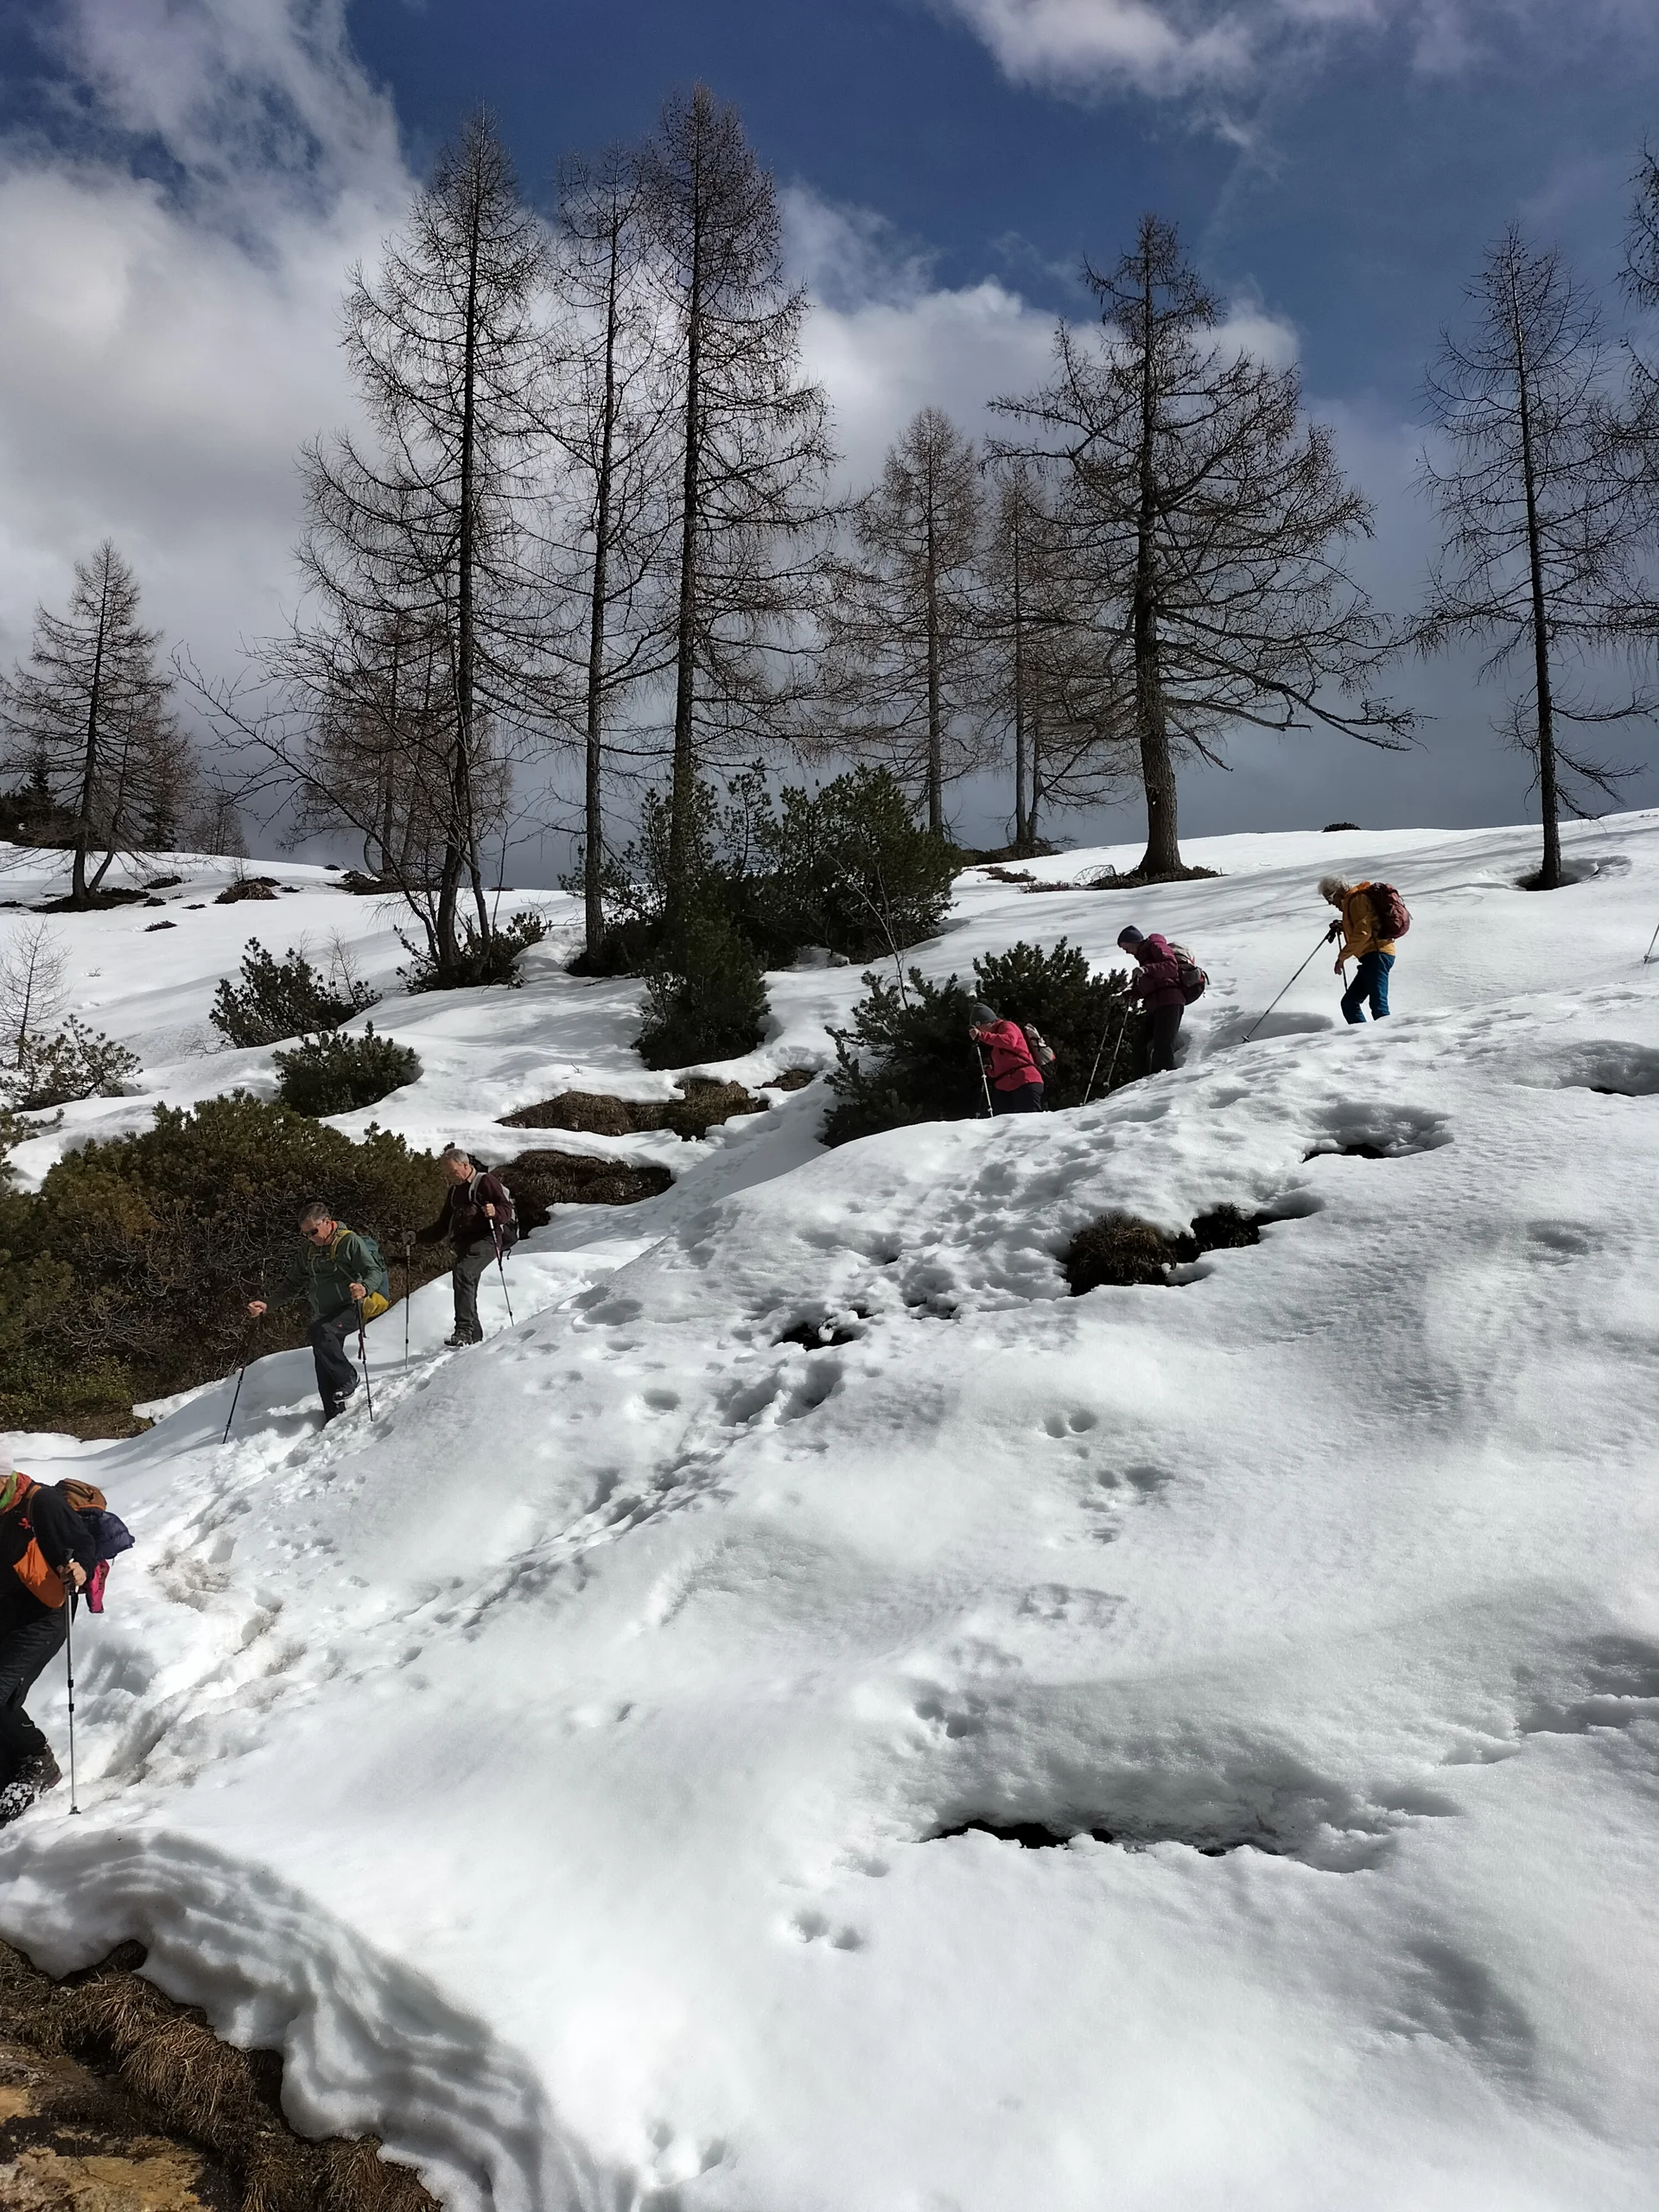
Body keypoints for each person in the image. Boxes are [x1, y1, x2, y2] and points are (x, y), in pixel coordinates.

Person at [0, 1454, 96, 1823]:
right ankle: (11, 1762)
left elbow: (83, 1546)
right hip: (7, 1609)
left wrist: (79, 1568)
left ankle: (38, 1762)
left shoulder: (42, 1502)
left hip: (45, 1615)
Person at [247, 1200, 390, 1421]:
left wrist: (364, 1287)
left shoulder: (349, 1242)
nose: (310, 1237)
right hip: (325, 1312)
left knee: (321, 1332)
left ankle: (349, 1378)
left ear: (327, 1222)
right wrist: (268, 1304)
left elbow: (372, 1270)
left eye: (313, 1231)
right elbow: (292, 1283)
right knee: (323, 1367)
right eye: (305, 1234)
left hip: (352, 1307)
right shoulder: (309, 1250)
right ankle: (333, 1418)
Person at [416, 1146, 513, 1347]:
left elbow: (506, 1209)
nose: (451, 1176)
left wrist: (494, 1211)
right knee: (467, 1284)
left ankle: (464, 1331)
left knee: (463, 1273)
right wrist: (415, 1237)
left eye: (453, 1171)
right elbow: (441, 1226)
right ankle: (474, 1338)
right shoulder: (454, 1192)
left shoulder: (485, 1181)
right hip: (464, 1244)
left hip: (487, 1239)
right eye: (448, 1173)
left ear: (465, 1165)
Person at [1319, 874, 1397, 1023]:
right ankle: (1364, 1038)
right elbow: (1366, 926)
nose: (1331, 904)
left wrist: (1342, 957)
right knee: (1349, 1003)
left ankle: (1387, 1042)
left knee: (1378, 1007)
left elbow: (1363, 934)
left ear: (1337, 892)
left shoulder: (1357, 900)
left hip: (1378, 954)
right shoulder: (1353, 900)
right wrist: (1342, 926)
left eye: (1329, 899)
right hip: (1371, 956)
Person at [1117, 926, 1185, 1073]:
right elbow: (1148, 988)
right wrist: (1125, 997)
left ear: (1133, 941)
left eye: (1126, 947)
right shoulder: (1144, 958)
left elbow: (1171, 966)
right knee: (1141, 1045)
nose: (1127, 952)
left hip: (1170, 1001)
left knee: (1163, 1045)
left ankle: (1166, 1083)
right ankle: (1143, 1083)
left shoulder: (1155, 945)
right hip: (1156, 1005)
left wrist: (1146, 970)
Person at [967, 1002, 1045, 1114]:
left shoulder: (1007, 1026)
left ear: (984, 1023)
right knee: (1005, 1125)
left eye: (978, 1028)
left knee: (1029, 1122)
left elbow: (1009, 1041)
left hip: (1025, 1082)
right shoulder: (996, 1044)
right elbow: (1003, 1068)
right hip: (1007, 1086)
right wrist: (989, 1069)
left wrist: (981, 1036)